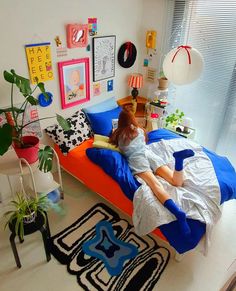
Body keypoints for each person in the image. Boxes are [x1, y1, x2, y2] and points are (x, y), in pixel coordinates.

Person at [109, 109, 195, 236]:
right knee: (176, 182)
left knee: (155, 185)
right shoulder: (140, 131)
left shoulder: (118, 135)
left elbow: (112, 142)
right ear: (132, 119)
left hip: (137, 160)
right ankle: (178, 161)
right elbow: (144, 141)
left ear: (120, 122)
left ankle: (178, 213)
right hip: (150, 154)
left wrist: (114, 132)